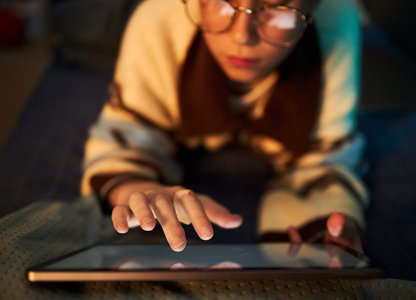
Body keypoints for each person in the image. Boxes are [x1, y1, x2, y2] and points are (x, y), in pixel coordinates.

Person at [81, 0, 368, 253]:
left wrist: (328, 220)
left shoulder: (336, 20)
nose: (243, 35)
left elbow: (328, 158)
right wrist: (135, 187)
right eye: (220, 2)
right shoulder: (157, 20)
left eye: (279, 9)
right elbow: (122, 142)